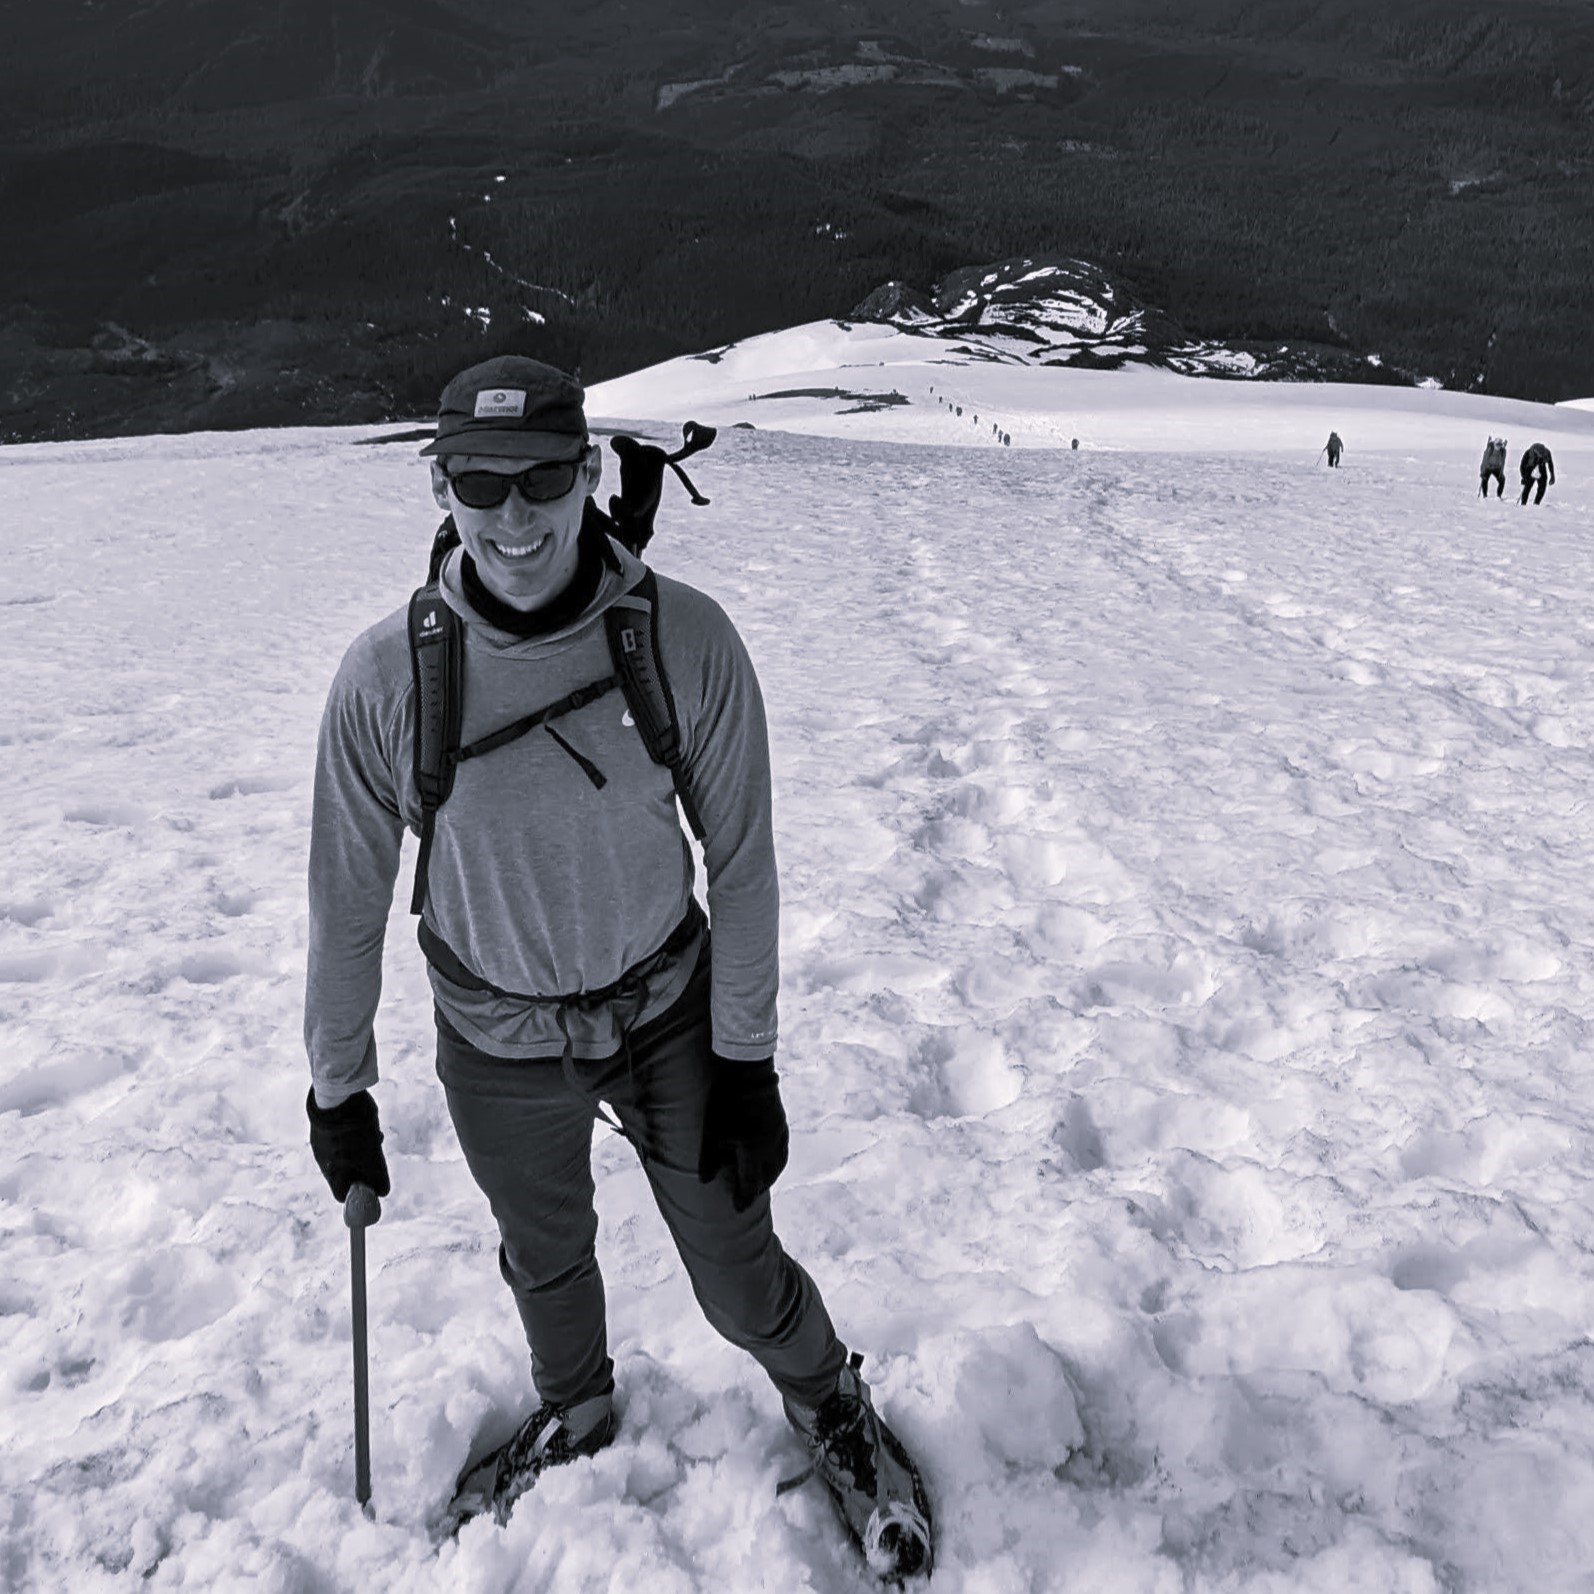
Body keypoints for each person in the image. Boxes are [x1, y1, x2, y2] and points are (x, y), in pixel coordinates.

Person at [302, 355, 932, 1577]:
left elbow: (741, 861)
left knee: (738, 1271)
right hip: (494, 1035)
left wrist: (744, 1059)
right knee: (544, 1256)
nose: (516, 516)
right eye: (482, 484)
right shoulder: (386, 679)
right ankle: (578, 1407)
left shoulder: (679, 640)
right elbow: (346, 902)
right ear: (440, 484)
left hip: (665, 1014)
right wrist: (339, 1090)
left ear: (588, 470)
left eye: (542, 476)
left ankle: (830, 1403)